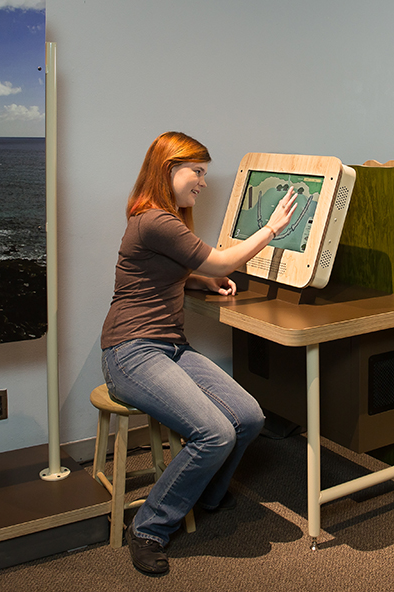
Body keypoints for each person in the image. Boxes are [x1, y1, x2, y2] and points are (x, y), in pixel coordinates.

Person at [100, 131, 299, 576]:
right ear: (168, 170)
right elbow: (221, 261)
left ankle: (205, 493)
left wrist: (198, 281)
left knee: (248, 417)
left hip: (169, 346)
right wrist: (270, 229)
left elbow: (160, 274)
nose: (203, 182)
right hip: (130, 352)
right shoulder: (155, 220)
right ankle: (149, 528)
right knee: (215, 433)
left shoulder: (163, 222)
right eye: (197, 172)